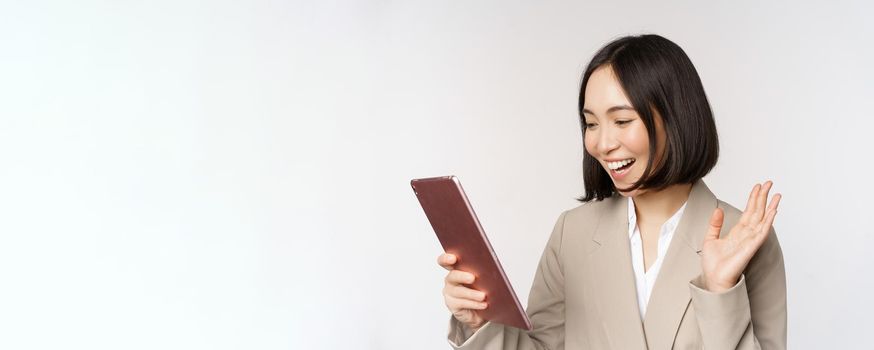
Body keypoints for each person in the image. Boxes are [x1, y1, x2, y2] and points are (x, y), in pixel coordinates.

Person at [437, 34, 786, 349]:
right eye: (591, 124)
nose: (602, 144)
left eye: (622, 121)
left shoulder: (745, 239)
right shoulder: (572, 233)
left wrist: (720, 292)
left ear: (676, 118)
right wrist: (478, 324)